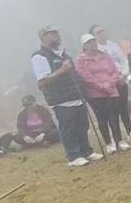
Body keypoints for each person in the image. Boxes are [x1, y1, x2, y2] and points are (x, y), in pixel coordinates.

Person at [31, 25, 101, 168]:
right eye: (53, 33)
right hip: (60, 99)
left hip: (76, 96)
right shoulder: (39, 56)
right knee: (68, 128)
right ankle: (73, 155)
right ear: (44, 37)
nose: (58, 36)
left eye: (57, 33)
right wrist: (62, 70)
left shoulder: (63, 54)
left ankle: (86, 151)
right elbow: (42, 82)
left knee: (82, 126)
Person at [76, 34, 128, 153]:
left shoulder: (104, 55)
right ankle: (109, 142)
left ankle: (119, 139)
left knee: (115, 115)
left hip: (111, 89)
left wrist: (110, 83)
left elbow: (113, 71)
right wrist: (101, 85)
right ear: (84, 45)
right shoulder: (81, 59)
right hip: (95, 93)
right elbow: (86, 76)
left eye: (93, 41)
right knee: (102, 117)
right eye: (89, 42)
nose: (92, 44)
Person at [92, 25, 131, 144]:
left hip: (121, 80)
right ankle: (116, 137)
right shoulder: (96, 50)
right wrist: (111, 80)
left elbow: (124, 60)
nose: (102, 33)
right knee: (112, 111)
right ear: (94, 36)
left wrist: (123, 75)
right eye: (98, 32)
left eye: (103, 30)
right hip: (108, 84)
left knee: (124, 108)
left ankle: (130, 132)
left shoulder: (113, 45)